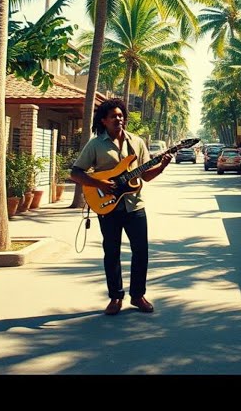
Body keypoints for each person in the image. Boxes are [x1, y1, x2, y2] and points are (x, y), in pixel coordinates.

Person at [70, 98, 172, 315]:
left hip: (135, 206)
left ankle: (138, 296)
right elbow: (76, 173)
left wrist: (162, 166)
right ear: (104, 120)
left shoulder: (136, 142)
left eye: (120, 115)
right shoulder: (95, 144)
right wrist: (99, 184)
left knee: (141, 252)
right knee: (112, 252)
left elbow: (145, 176)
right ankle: (115, 297)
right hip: (107, 207)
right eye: (113, 116)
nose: (118, 119)